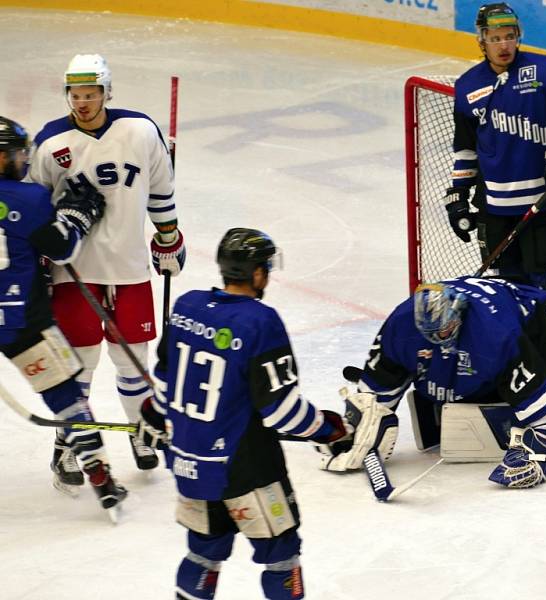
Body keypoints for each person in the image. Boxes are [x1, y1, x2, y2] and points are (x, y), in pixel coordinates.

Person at [136, 227, 351, 600]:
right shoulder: (260, 322)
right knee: (281, 557)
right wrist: (326, 428)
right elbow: (283, 412)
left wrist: (152, 416)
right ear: (256, 273)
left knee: (202, 554)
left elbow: (167, 385)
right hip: (246, 470)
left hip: (191, 465)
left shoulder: (187, 306)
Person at [27, 53, 187, 477]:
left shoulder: (140, 130)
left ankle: (141, 428)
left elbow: (160, 187)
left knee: (132, 360)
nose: (82, 102)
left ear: (106, 92)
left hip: (131, 268)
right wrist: (40, 255)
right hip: (74, 273)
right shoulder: (50, 143)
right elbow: (31, 206)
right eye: (75, 95)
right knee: (79, 364)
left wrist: (168, 239)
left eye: (90, 94)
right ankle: (69, 441)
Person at [445, 3, 546, 386]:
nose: (504, 45)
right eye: (496, 38)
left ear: (519, 37)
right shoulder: (467, 86)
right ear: (481, 40)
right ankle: (523, 355)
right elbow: (466, 148)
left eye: (510, 37)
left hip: (544, 202)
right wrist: (458, 193)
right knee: (507, 290)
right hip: (495, 209)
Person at [323, 275, 546, 489]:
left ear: (458, 315)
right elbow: (378, 386)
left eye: (442, 332)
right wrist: (360, 419)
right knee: (449, 373)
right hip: (478, 314)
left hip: (532, 319)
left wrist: (543, 442)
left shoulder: (496, 335)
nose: (435, 339)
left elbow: (545, 419)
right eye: (427, 334)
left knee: (510, 389)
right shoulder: (401, 323)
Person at [0, 115, 128, 512]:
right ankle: (100, 476)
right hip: (21, 322)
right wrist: (77, 216)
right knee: (67, 395)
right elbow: (61, 248)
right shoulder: (31, 199)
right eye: (17, 154)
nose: (24, 159)